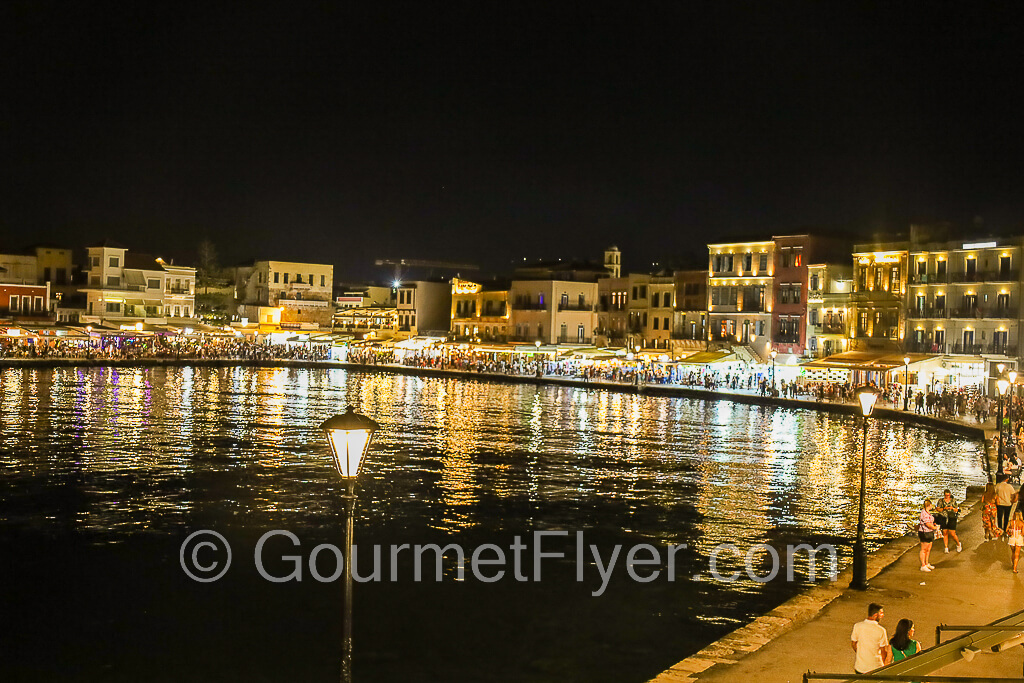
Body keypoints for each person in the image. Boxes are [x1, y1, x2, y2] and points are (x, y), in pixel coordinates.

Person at [851, 603, 891, 674]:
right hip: (875, 668)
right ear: (875, 615)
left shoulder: (857, 626)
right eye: (881, 613)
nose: (882, 615)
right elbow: (883, 651)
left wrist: (861, 653)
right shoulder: (881, 630)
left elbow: (853, 643)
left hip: (860, 667)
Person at [918, 499, 938, 571]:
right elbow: (927, 524)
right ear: (929, 505)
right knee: (924, 549)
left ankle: (926, 563)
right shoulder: (924, 513)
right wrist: (935, 527)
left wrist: (934, 525)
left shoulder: (927, 513)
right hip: (924, 532)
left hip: (929, 532)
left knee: (928, 549)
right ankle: (923, 565)